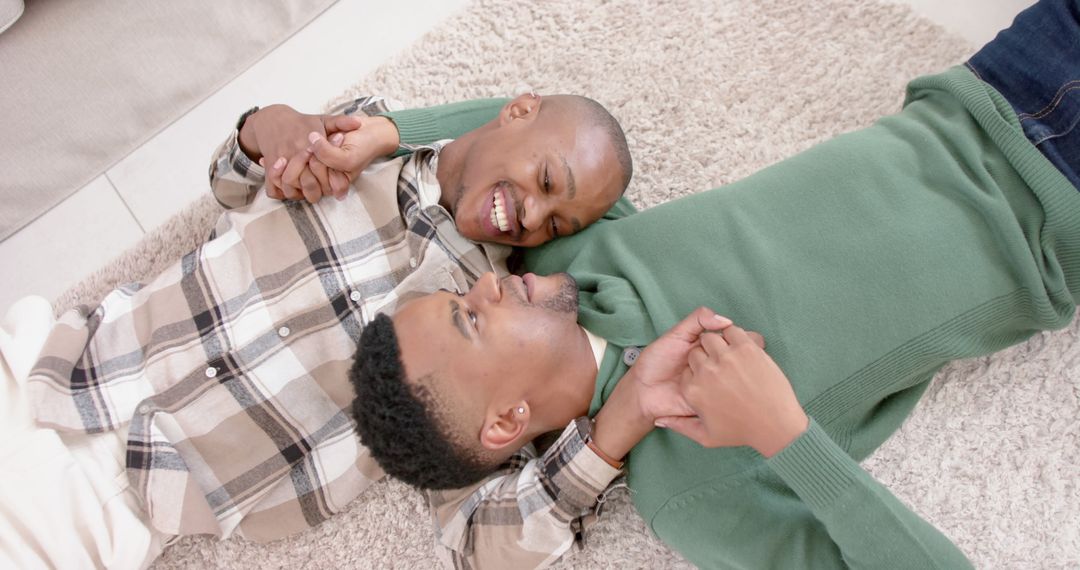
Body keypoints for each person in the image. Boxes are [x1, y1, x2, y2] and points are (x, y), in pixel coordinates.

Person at [349, 1, 1080, 567]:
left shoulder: (562, 256)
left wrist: (390, 130)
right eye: (468, 320)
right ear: (506, 420)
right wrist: (782, 431)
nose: (482, 287)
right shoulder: (689, 490)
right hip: (1059, 215)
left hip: (994, 84)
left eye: (458, 296)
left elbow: (532, 131)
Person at [8, 93, 631, 568]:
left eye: (556, 226)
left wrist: (603, 448)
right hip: (57, 360)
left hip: (128, 498)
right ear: (517, 110)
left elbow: (477, 535)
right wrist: (262, 125)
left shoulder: (493, 341)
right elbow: (232, 187)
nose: (533, 215)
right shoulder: (359, 139)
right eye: (547, 182)